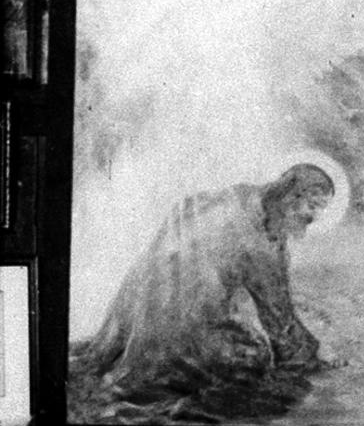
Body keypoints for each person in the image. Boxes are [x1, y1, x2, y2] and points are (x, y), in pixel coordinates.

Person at [72, 163, 335, 408]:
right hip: (181, 333)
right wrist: (312, 356)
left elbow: (182, 210)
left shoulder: (235, 195)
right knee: (254, 356)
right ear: (292, 196)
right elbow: (279, 320)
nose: (315, 218)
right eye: (313, 206)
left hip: (135, 312)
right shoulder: (265, 241)